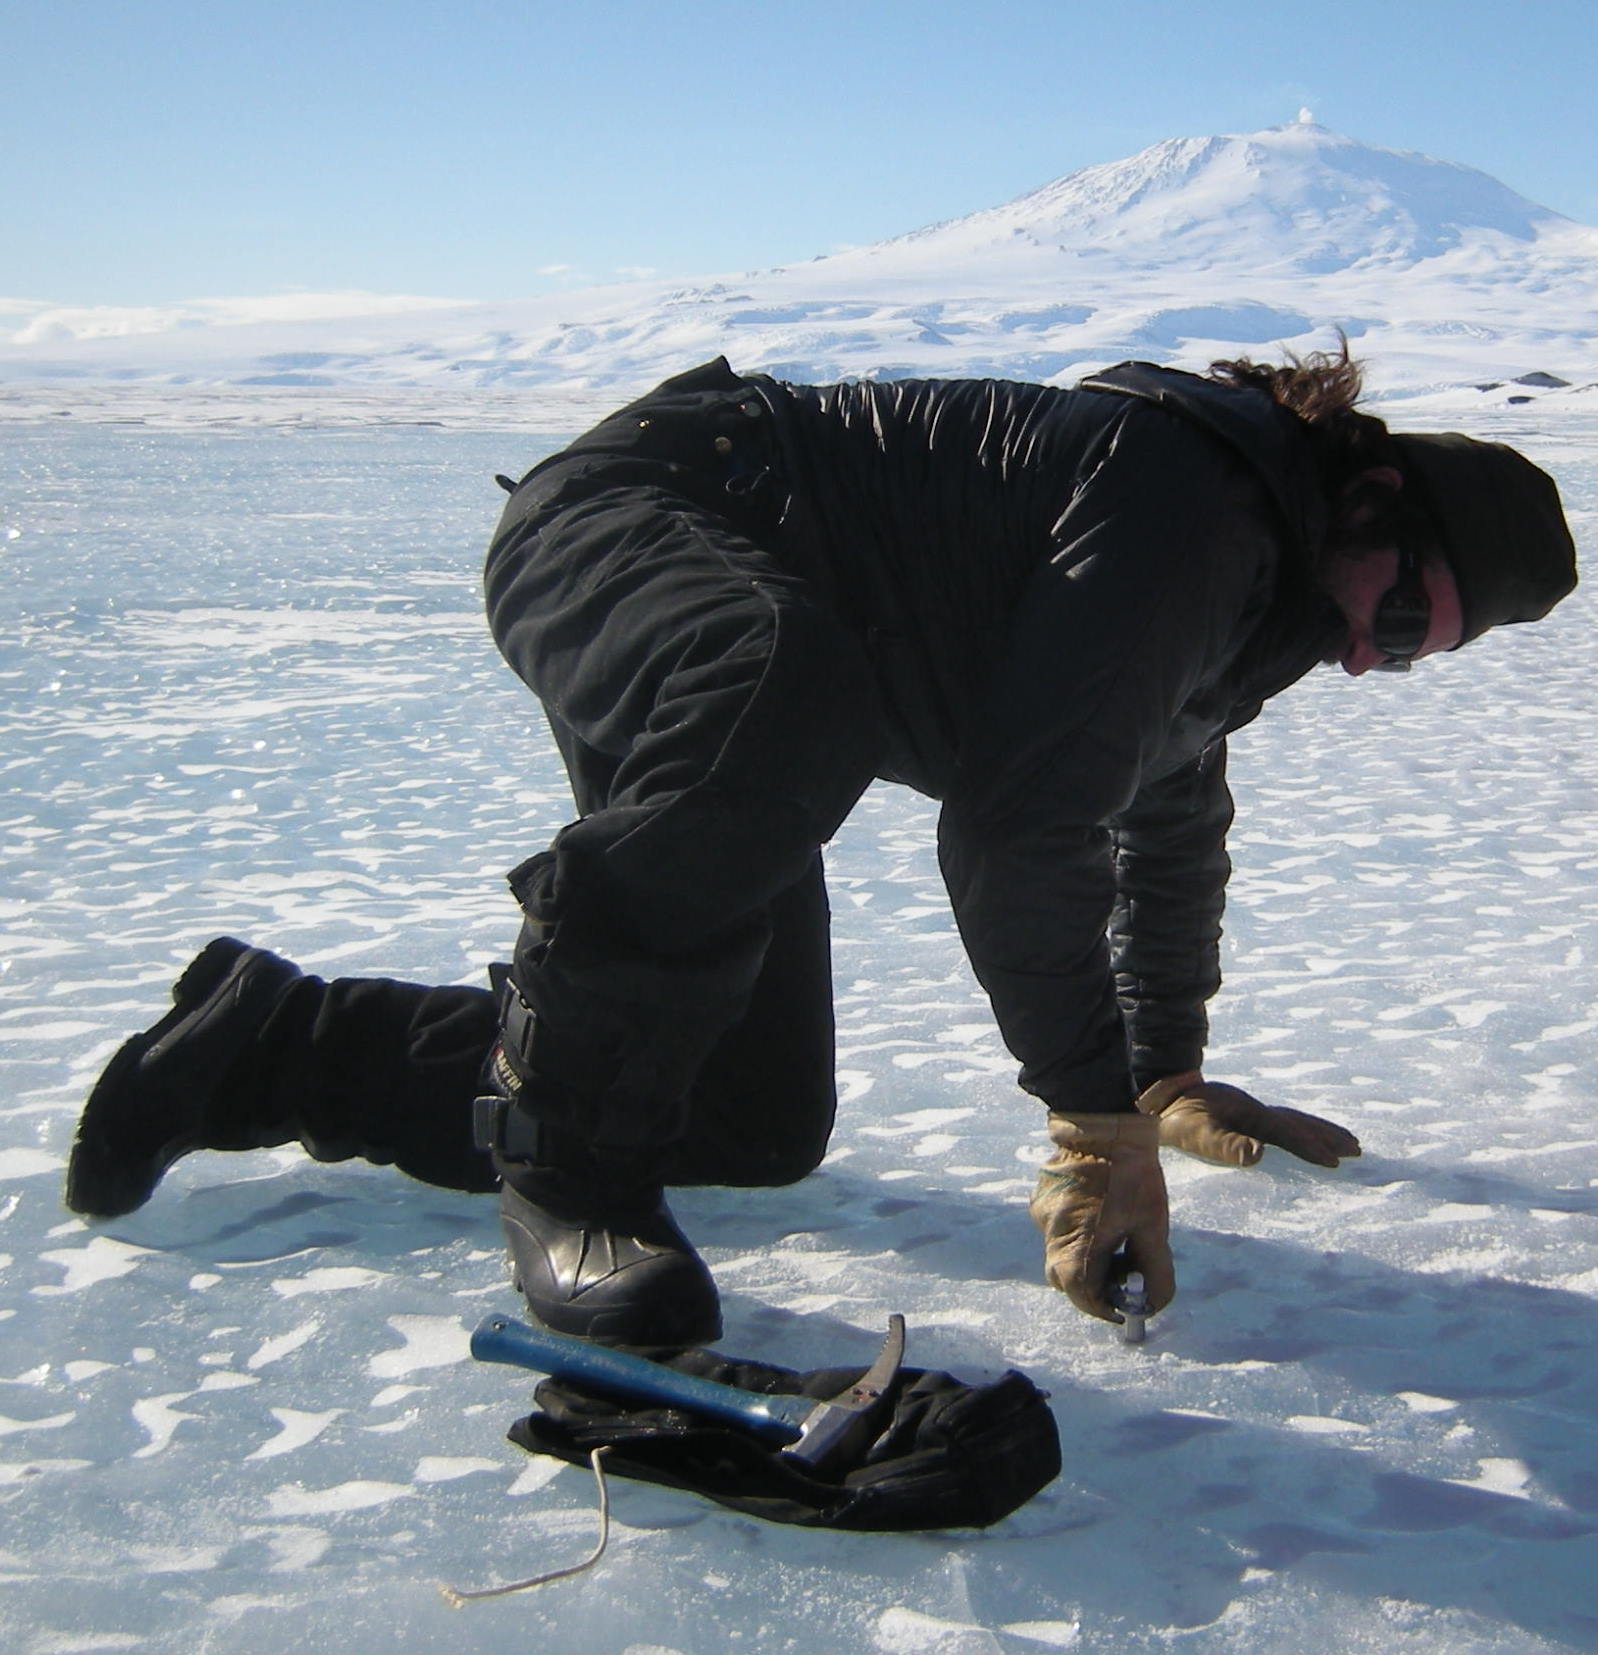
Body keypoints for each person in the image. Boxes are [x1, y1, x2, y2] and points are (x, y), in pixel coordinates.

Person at [65, 348, 1577, 1350]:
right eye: (1392, 613)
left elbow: (1164, 816)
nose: (1372, 659)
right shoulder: (1191, 510)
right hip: (640, 515)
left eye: (1410, 655)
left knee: (748, 1116)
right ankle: (570, 1176)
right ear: (1368, 494)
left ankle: (268, 1047)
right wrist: (1086, 1126)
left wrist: (1160, 1069)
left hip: (759, 647)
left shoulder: (1253, 613)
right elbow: (1016, 831)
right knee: (791, 690)